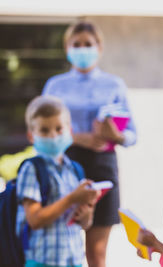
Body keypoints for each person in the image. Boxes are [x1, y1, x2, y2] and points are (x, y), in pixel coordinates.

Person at [42, 21, 137, 267]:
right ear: (67, 48)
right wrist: (77, 137)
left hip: (103, 167)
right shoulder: (55, 85)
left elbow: (132, 135)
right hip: (65, 166)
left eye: (88, 44)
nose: (82, 49)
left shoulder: (114, 84)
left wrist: (114, 134)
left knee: (96, 254)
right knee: (64, 247)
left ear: (99, 47)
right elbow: (41, 128)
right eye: (77, 44)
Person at [16, 95, 100, 267]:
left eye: (58, 128)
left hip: (73, 259)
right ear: (31, 136)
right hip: (41, 261)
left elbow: (85, 224)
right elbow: (35, 219)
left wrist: (87, 214)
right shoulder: (31, 169)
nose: (53, 135)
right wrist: (73, 198)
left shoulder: (75, 170)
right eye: (44, 130)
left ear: (69, 131)